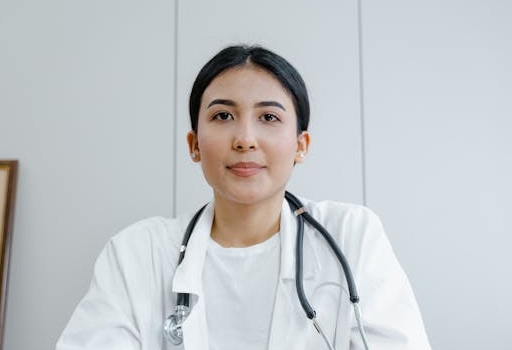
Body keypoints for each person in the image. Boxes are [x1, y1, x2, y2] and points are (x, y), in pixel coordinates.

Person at [57, 45, 431, 350]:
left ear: (301, 145)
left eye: (269, 117)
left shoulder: (351, 236)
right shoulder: (136, 254)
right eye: (223, 116)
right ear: (194, 145)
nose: (245, 139)